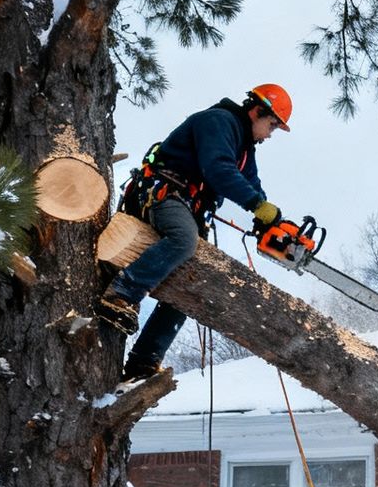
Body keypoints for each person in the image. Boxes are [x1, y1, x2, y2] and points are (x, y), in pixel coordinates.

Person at [98, 83, 292, 380]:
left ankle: (143, 362)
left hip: (189, 208)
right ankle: (122, 294)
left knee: (194, 282)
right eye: (272, 126)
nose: (270, 134)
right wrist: (255, 205)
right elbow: (219, 169)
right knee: (184, 240)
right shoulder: (219, 122)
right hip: (164, 194)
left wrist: (270, 218)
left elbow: (251, 184)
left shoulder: (244, 148)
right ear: (257, 111)